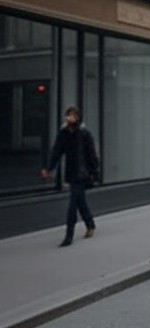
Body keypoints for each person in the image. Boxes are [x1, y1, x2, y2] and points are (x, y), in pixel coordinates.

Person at [41, 106, 100, 248]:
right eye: (68, 115)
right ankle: (90, 224)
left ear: (78, 117)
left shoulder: (85, 134)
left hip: (83, 173)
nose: (70, 118)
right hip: (72, 173)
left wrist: (94, 173)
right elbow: (57, 151)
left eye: (73, 116)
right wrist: (49, 168)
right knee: (80, 201)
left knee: (73, 204)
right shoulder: (64, 133)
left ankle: (69, 235)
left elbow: (92, 155)